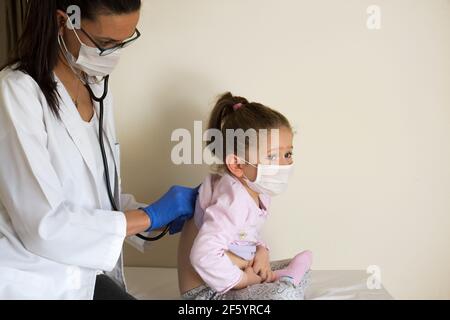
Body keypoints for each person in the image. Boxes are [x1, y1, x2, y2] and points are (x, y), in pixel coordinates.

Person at [0, 0, 197, 300]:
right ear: (63, 21)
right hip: (36, 278)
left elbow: (98, 194)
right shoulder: (16, 92)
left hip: (84, 273)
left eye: (123, 42)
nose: (114, 55)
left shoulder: (95, 87)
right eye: (105, 43)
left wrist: (159, 216)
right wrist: (149, 217)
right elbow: (43, 225)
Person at [178, 93, 312, 300]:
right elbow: (203, 255)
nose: (285, 164)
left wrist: (261, 250)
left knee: (305, 263)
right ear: (238, 165)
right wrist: (245, 281)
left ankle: (284, 280)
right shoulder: (232, 200)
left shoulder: (255, 190)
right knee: (284, 295)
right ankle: (285, 284)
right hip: (207, 293)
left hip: (235, 270)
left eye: (288, 154)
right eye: (272, 156)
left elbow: (242, 233)